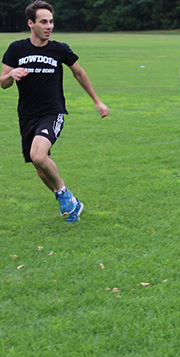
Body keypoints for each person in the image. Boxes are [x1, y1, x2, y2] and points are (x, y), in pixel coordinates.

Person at [1, 1, 110, 223]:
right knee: (41, 167)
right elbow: (2, 83)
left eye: (51, 21)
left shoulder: (59, 49)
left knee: (38, 155)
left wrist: (97, 101)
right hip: (26, 115)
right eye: (43, 21)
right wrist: (11, 76)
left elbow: (79, 73)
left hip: (52, 112)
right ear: (31, 23)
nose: (49, 26)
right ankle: (71, 202)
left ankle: (64, 194)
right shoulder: (16, 49)